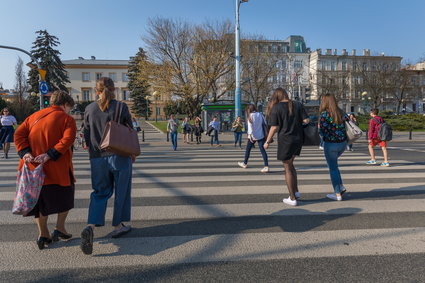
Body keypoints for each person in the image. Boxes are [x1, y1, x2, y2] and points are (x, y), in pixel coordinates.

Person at [14, 90, 77, 250]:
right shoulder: (67, 118)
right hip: (58, 169)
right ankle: (60, 228)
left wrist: (25, 152)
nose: (69, 110)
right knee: (65, 199)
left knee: (40, 203)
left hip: (34, 169)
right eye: (69, 107)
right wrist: (50, 154)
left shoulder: (34, 116)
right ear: (65, 104)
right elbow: (68, 139)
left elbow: (18, 134)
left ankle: (43, 233)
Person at [81, 77, 134, 255]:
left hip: (97, 158)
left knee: (100, 193)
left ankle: (91, 226)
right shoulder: (121, 107)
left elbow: (86, 135)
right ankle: (118, 225)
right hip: (119, 155)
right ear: (114, 90)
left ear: (96, 91)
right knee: (122, 191)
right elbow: (130, 130)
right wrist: (131, 153)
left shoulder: (89, 109)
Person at [264, 88, 309, 205]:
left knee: (287, 168)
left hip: (285, 140)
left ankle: (292, 198)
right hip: (298, 139)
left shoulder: (277, 107)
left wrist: (267, 141)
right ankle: (296, 191)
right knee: (291, 165)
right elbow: (306, 120)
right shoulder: (298, 104)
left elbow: (274, 127)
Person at [318, 93, 348, 201]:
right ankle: (340, 186)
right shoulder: (341, 112)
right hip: (342, 143)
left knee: (333, 168)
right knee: (335, 166)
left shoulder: (325, 115)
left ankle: (337, 194)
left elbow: (321, 131)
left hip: (330, 144)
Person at [238, 104, 269, 173]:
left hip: (252, 136)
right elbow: (265, 123)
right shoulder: (260, 114)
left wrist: (250, 135)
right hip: (260, 135)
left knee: (248, 150)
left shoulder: (250, 116)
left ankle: (245, 163)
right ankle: (266, 166)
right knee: (263, 151)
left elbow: (250, 126)